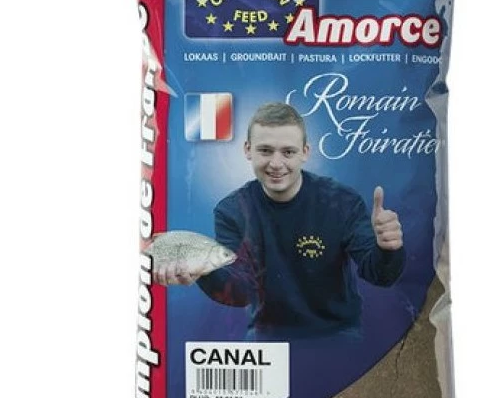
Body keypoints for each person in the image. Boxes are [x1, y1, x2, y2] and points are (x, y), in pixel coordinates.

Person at [155, 102, 405, 339]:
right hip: (266, 340)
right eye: (265, 150)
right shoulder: (231, 210)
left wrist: (388, 249)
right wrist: (202, 272)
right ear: (247, 150)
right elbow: (241, 293)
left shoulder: (343, 201)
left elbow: (381, 276)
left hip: (338, 336)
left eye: (288, 152)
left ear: (305, 152)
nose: (276, 163)